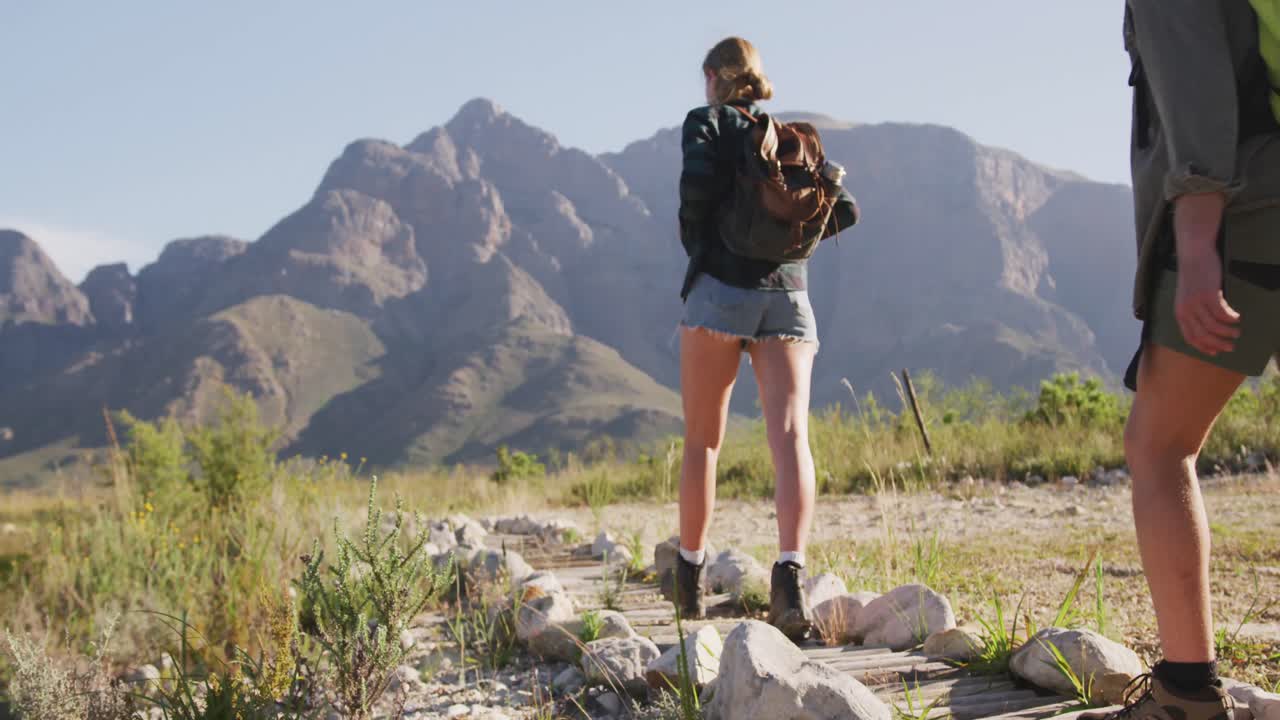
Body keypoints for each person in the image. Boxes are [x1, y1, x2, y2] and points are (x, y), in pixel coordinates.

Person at [1087, 2, 1280, 718]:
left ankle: (1186, 694)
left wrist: (1197, 241)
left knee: (1158, 444)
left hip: (1252, 209)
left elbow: (1196, 90)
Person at [672, 36, 859, 641]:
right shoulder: (790, 137)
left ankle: (690, 580)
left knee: (703, 442)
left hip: (720, 292)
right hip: (790, 297)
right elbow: (844, 209)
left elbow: (696, 192)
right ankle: (789, 581)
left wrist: (702, 242)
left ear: (712, 77)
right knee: (791, 437)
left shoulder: (709, 122)